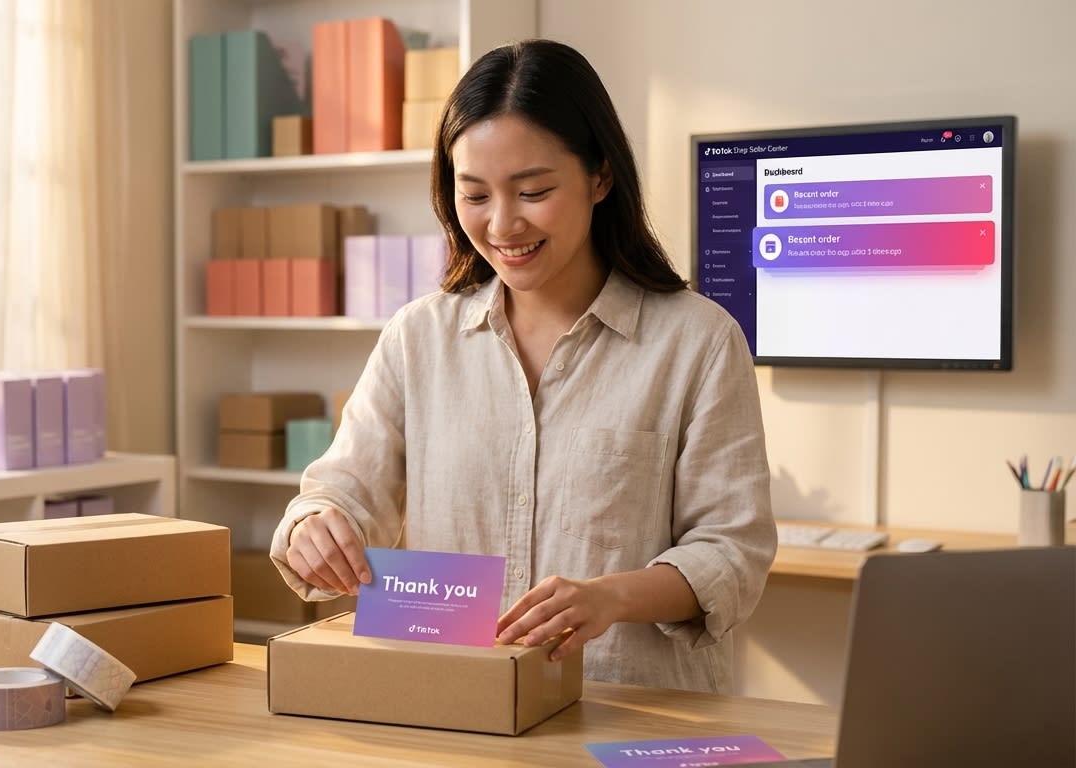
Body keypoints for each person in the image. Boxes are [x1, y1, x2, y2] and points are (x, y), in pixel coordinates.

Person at [268, 38, 775, 693]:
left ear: (600, 177)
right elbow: (341, 491)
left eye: (533, 191)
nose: (503, 225)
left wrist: (612, 597)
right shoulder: (418, 338)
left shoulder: (697, 342)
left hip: (629, 712)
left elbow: (732, 551)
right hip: (457, 703)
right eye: (474, 195)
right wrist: (315, 526)